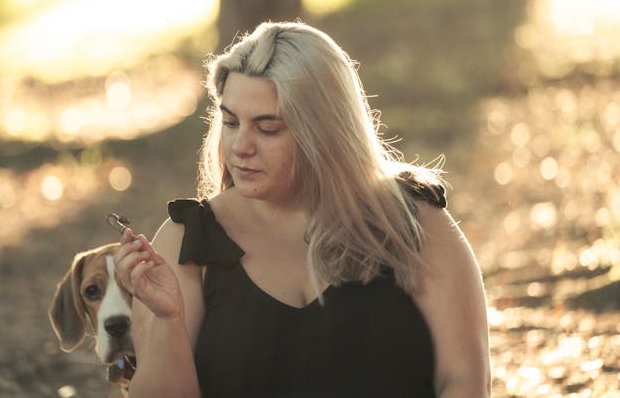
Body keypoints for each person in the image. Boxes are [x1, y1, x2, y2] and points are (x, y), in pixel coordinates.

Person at [114, 21, 491, 397]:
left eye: (268, 128)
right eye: (230, 122)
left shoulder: (415, 222)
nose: (240, 146)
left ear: (325, 130)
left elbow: (464, 380)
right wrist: (168, 320)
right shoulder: (188, 242)